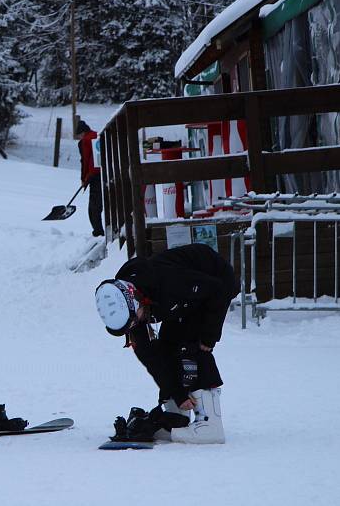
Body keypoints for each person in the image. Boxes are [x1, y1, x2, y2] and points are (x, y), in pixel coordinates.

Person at [94, 243, 236, 444]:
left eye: (134, 321)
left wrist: (209, 336)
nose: (134, 326)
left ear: (137, 301)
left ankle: (209, 424)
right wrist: (176, 394)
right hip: (178, 300)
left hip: (214, 282)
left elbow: (218, 289)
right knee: (165, 346)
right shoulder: (130, 303)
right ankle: (176, 415)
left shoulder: (168, 282)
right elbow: (150, 357)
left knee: (191, 347)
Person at [76, 120, 104, 237]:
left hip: (94, 176)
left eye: (79, 135)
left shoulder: (85, 141)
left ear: (82, 133)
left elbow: (85, 160)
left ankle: (98, 233)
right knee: (100, 204)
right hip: (106, 174)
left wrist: (83, 179)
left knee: (93, 208)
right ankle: (100, 231)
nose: (79, 138)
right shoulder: (98, 136)